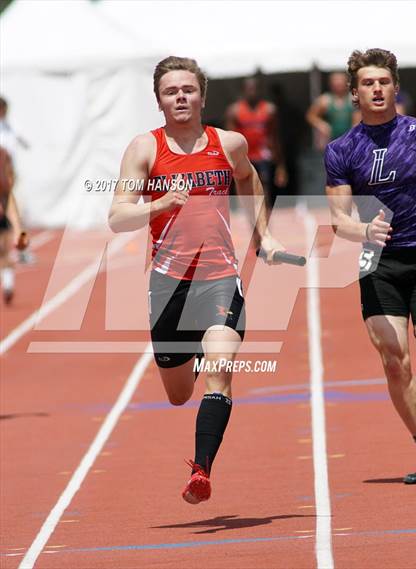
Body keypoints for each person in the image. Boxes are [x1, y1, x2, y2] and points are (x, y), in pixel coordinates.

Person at [109, 56, 284, 503]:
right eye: (171, 91)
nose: (181, 97)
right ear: (159, 101)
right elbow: (117, 216)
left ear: (203, 96)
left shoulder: (229, 143)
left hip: (219, 277)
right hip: (168, 286)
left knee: (220, 372)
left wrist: (263, 235)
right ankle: (199, 358)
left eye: (188, 89)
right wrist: (159, 204)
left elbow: (249, 181)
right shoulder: (144, 149)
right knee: (177, 393)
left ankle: (201, 471)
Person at [325, 48, 416, 484]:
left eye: (383, 81)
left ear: (395, 87)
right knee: (395, 361)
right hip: (377, 260)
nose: (377, 89)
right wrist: (361, 232)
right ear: (354, 93)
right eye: (368, 83)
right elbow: (338, 219)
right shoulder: (342, 150)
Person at [225, 77, 287, 208]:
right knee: (244, 187)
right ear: (243, 91)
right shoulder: (234, 111)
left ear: (259, 90)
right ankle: (247, 216)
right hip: (244, 156)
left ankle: (265, 218)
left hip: (263, 155)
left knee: (264, 186)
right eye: (249, 89)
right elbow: (228, 139)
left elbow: (275, 138)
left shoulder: (269, 110)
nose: (252, 92)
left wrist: (281, 166)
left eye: (254, 89)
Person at [0, 146, 28, 304]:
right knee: (4, 252)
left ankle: (8, 284)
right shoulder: (5, 153)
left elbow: (11, 176)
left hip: (3, 205)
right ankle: (8, 284)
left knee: (3, 251)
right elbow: (12, 177)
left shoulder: (5, 154)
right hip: (4, 204)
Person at [306, 72, 355, 151]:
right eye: (336, 81)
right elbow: (310, 116)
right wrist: (321, 125)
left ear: (347, 83)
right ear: (331, 83)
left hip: (349, 139)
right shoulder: (325, 99)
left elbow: (359, 118)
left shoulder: (352, 99)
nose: (338, 83)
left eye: (341, 81)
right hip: (331, 138)